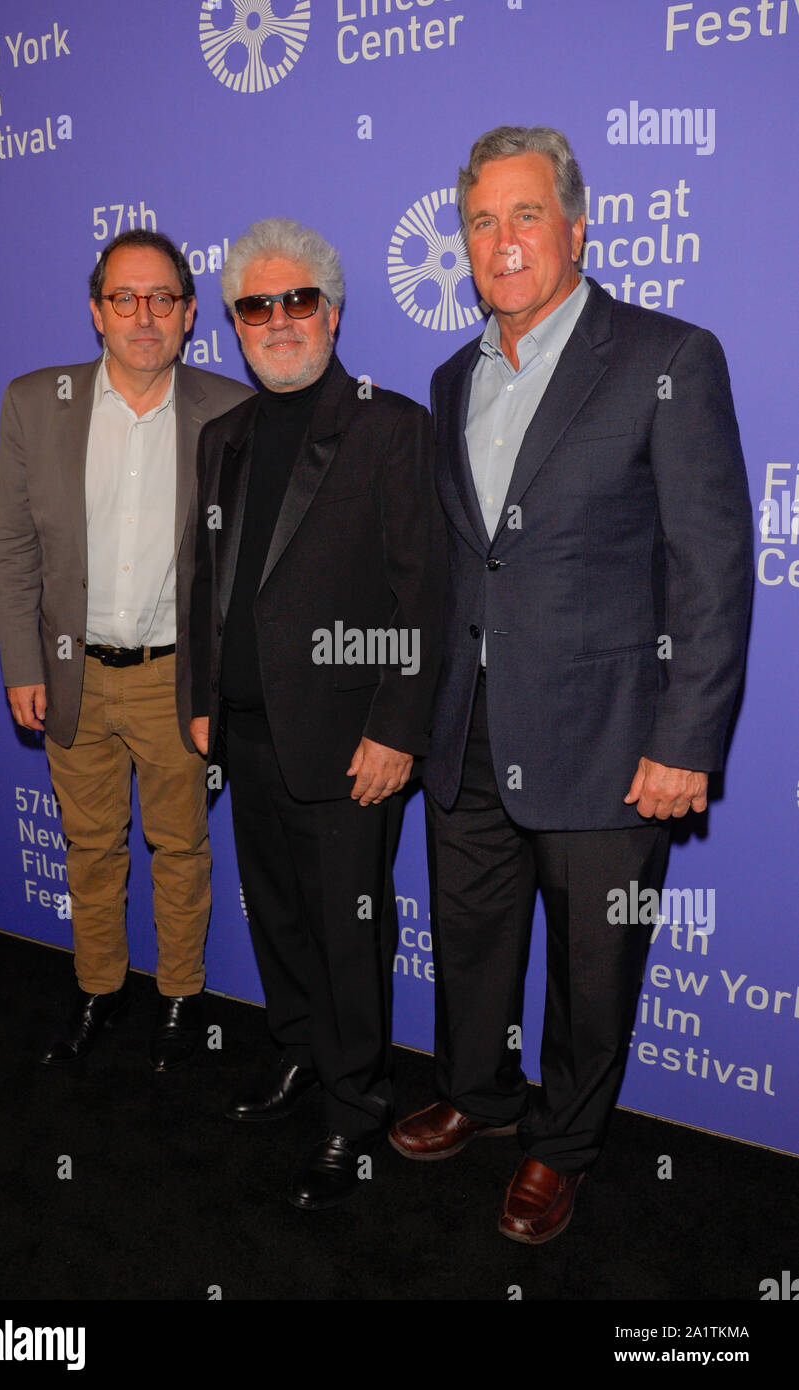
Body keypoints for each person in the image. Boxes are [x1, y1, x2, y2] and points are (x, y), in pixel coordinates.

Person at [389, 126, 753, 1242]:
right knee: (472, 936)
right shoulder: (453, 376)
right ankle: (479, 1094)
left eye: (525, 214)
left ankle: (562, 1145)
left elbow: (712, 566)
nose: (501, 241)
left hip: (608, 733)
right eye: (481, 221)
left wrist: (686, 739)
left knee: (593, 966)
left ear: (577, 224)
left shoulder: (667, 354)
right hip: (469, 727)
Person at [187, 217, 445, 1208]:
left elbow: (426, 592)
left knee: (348, 931)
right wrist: (201, 701)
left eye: (298, 301)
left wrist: (397, 728)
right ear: (236, 323)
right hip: (246, 732)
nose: (278, 320)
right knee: (282, 917)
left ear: (332, 314)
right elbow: (208, 581)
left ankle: (354, 1104)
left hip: (350, 746)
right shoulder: (226, 437)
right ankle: (297, 1053)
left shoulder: (390, 426)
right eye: (257, 306)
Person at [0, 229, 252, 1071]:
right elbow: (15, 548)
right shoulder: (35, 402)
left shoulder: (230, 412)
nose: (144, 316)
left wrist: (222, 683)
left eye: (162, 300)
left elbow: (244, 567)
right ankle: (98, 988)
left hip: (176, 680)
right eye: (124, 299)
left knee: (181, 848)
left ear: (187, 316)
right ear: (96, 311)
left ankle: (180, 997)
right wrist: (23, 667)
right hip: (72, 674)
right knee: (90, 845)